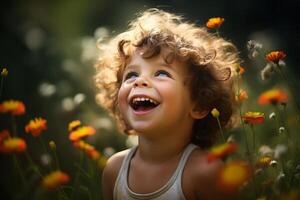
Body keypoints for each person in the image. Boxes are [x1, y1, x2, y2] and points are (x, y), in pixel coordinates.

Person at [95, 8, 240, 200]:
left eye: (162, 73)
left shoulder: (205, 172)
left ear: (199, 105)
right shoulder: (114, 170)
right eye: (131, 75)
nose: (140, 81)